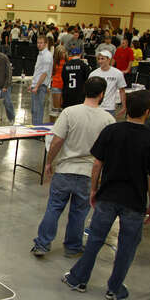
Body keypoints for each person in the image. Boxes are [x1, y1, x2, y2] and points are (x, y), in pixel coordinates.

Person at [62, 90, 150, 300]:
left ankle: (78, 279)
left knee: (95, 239)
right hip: (135, 202)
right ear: (148, 112)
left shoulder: (111, 131)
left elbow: (97, 164)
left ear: (126, 108)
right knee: (127, 247)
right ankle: (115, 288)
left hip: (108, 196)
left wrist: (94, 189)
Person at [31, 78, 114, 257]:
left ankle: (42, 244)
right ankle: (73, 247)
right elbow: (109, 153)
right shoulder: (108, 119)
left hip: (65, 170)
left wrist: (48, 162)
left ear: (85, 90)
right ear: (102, 94)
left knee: (54, 207)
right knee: (79, 212)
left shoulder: (69, 113)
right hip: (88, 174)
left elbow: (57, 141)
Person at [87, 50, 126, 116]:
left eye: (102, 59)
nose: (100, 61)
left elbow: (122, 90)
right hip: (95, 107)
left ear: (108, 60)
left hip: (109, 108)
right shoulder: (93, 74)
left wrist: (124, 106)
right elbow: (88, 91)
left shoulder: (117, 73)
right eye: (99, 59)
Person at [30, 35, 54, 125]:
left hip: (41, 86)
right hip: (36, 85)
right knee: (34, 110)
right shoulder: (40, 55)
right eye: (38, 43)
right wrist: (32, 84)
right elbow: (38, 71)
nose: (39, 45)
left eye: (41, 43)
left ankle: (37, 132)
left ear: (46, 44)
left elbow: (44, 73)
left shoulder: (47, 56)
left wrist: (36, 86)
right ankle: (34, 129)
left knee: (38, 110)